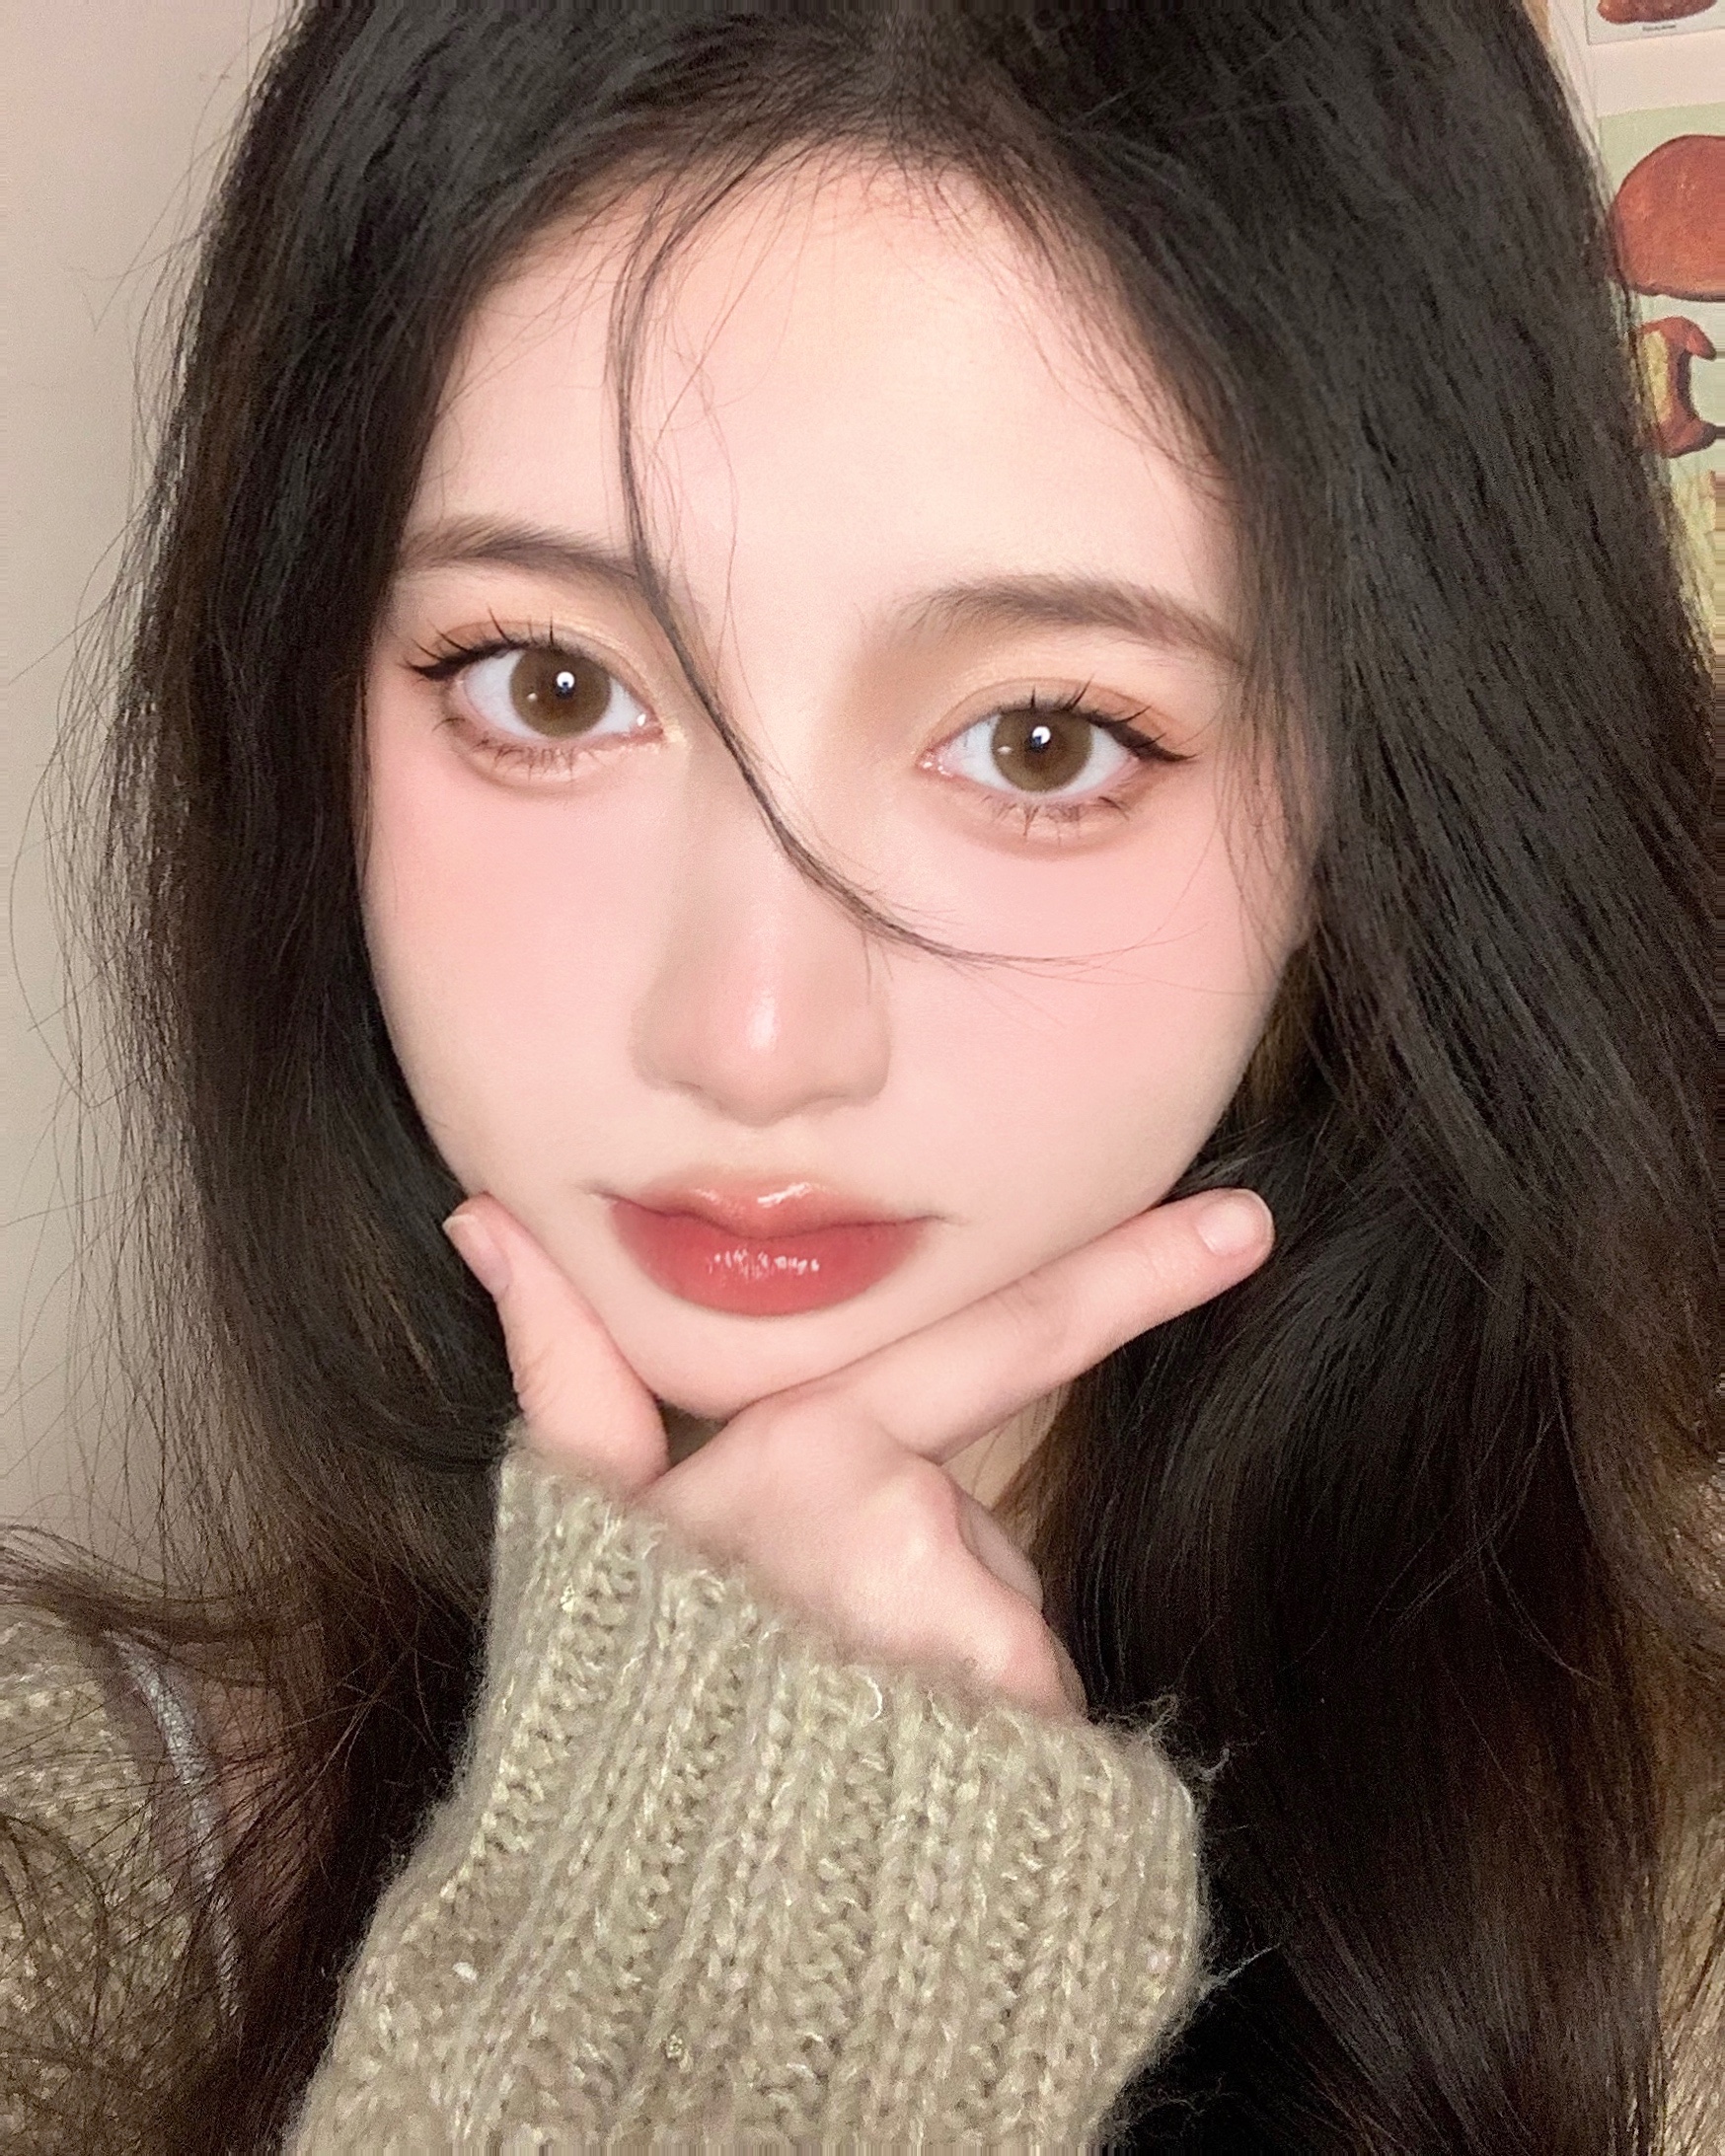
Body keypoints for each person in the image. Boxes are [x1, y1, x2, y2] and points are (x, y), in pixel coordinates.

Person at [2, 1, 1717, 2147]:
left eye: (1044, 740)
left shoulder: (1679, 1944)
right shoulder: (62, 1886)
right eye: (550, 686)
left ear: (1373, 809)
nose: (750, 1035)